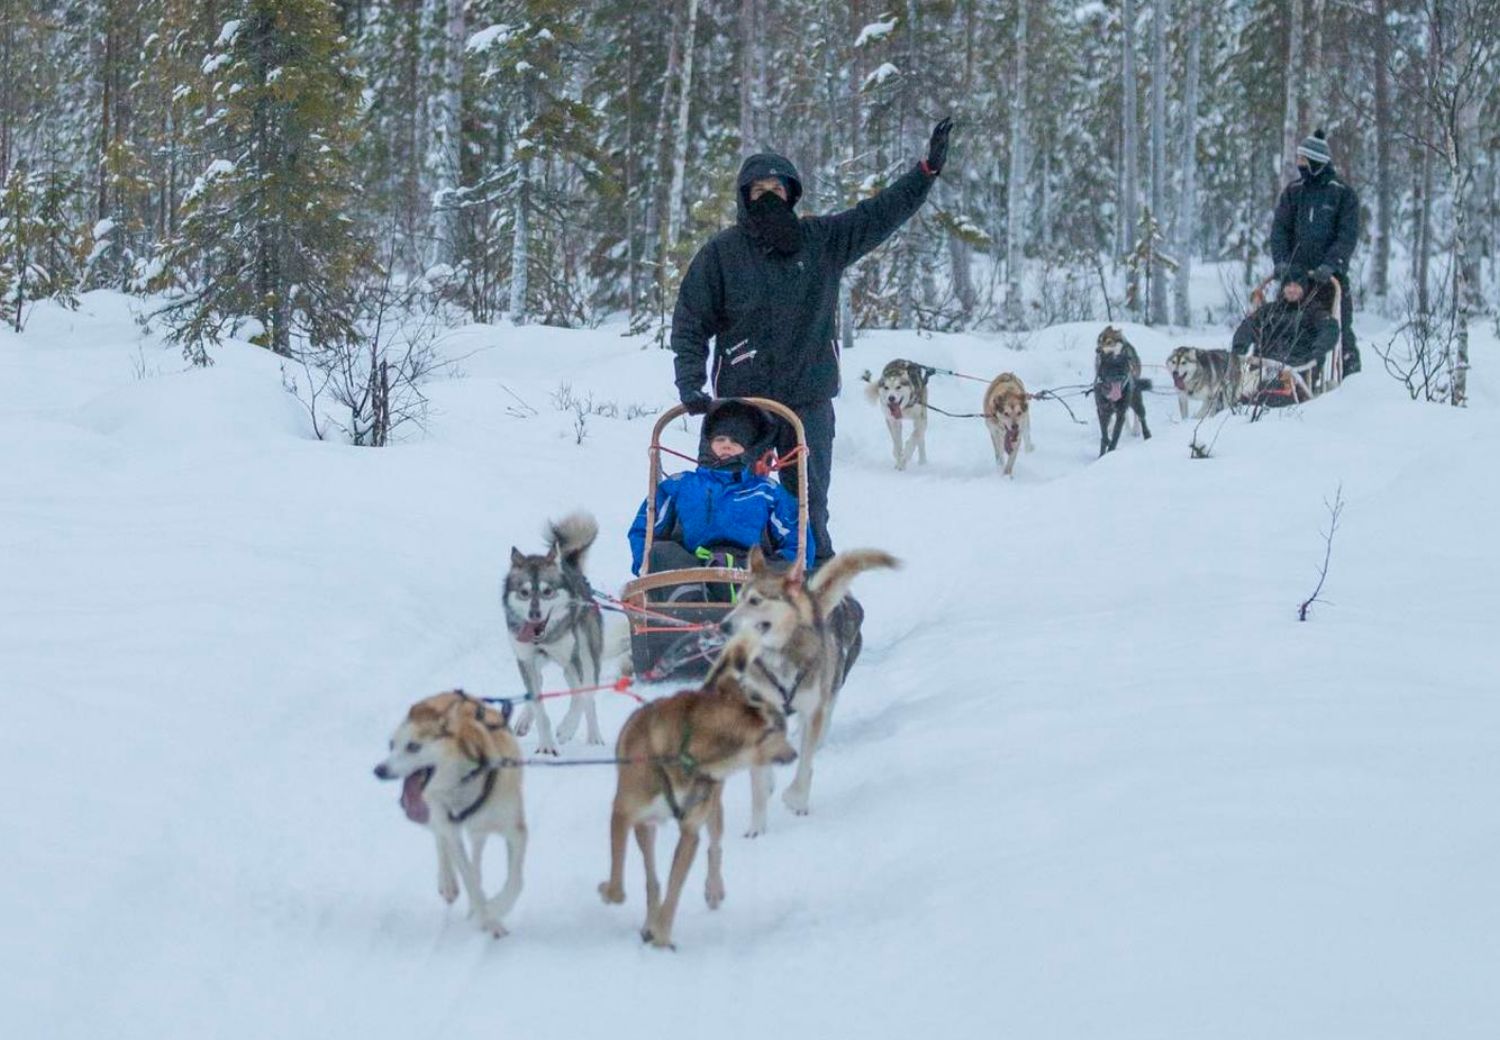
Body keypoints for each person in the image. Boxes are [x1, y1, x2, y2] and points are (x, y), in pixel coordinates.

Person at [669, 118, 954, 565]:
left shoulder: (821, 242)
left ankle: (816, 590)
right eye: (758, 191)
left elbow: (879, 214)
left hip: (809, 402)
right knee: (727, 497)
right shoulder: (722, 254)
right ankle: (716, 587)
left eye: (776, 190)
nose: (768, 198)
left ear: (791, 194)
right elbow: (690, 322)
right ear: (745, 197)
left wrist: (924, 173)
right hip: (744, 407)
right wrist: (690, 384)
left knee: (807, 506)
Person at [628, 400, 810, 596]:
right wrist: (644, 568)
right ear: (708, 443)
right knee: (661, 552)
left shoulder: (766, 492)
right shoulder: (680, 486)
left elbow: (796, 539)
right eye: (720, 439)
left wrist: (780, 570)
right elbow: (644, 531)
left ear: (747, 449)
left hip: (748, 572)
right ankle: (690, 608)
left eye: (735, 442)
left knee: (781, 567)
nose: (727, 446)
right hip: (691, 568)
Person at [1270, 128, 1361, 375]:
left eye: (1303, 160)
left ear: (1316, 161)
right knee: (1284, 326)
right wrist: (1281, 262)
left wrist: (1332, 264)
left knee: (1337, 329)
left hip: (1329, 280)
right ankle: (1285, 379)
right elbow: (1280, 229)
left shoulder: (1342, 194)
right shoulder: (1294, 192)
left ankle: (1350, 382)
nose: (1299, 165)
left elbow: (1347, 235)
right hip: (1296, 279)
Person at [1232, 277, 1340, 396]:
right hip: (1264, 368)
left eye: (1297, 286)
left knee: (1276, 392)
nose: (1292, 290)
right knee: (1234, 388)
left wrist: (1318, 350)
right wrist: (1238, 349)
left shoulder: (1313, 312)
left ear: (1304, 289)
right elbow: (1247, 327)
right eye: (1288, 286)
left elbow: (1330, 328)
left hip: (1299, 369)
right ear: (1283, 289)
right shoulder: (1269, 310)